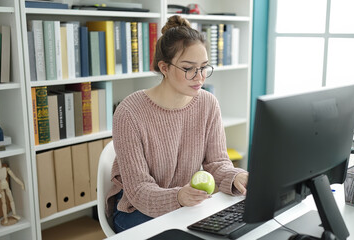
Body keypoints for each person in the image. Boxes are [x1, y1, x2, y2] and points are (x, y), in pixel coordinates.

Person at [106, 15, 249, 233]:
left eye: (203, 67)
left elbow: (217, 163)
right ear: (164, 67)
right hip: (136, 210)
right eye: (188, 68)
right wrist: (178, 196)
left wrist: (236, 176)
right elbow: (138, 190)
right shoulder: (130, 112)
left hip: (186, 206)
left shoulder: (208, 103)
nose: (199, 77)